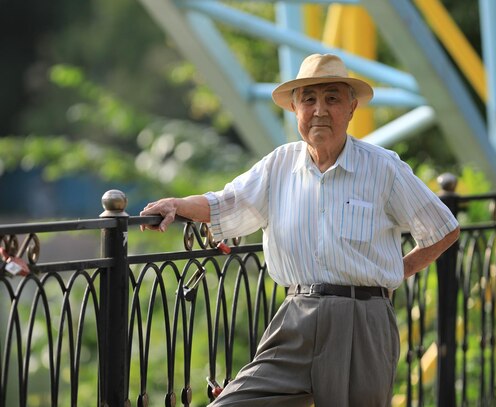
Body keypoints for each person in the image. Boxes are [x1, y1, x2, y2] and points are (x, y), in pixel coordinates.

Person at [140, 53, 460, 407]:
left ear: (351, 109)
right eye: (309, 99)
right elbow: (227, 202)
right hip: (296, 316)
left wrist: (397, 271)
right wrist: (177, 204)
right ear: (295, 109)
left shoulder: (383, 167)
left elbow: (442, 229)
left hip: (363, 321)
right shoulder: (279, 165)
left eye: (332, 98)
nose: (320, 110)